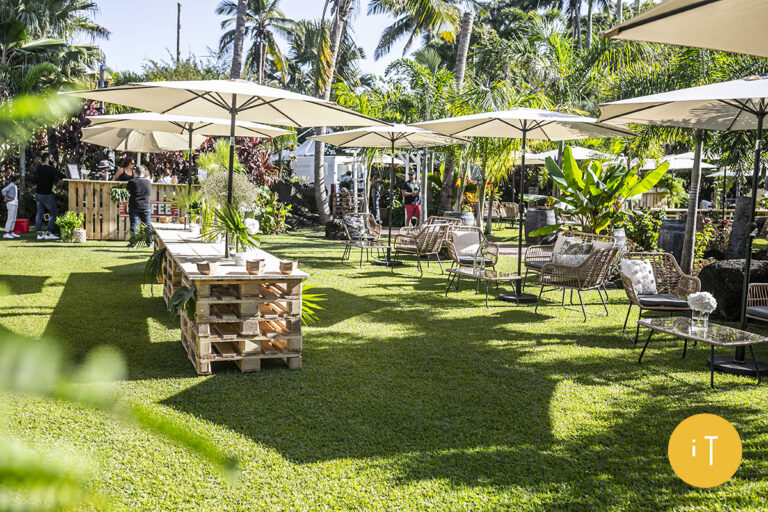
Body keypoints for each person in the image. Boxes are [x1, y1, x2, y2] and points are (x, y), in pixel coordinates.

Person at [35, 152, 65, 240]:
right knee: (54, 214)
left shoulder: (39, 168)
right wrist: (54, 167)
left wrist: (54, 167)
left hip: (38, 193)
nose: (53, 159)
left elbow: (48, 175)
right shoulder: (50, 169)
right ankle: (48, 233)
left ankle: (39, 234)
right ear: (47, 159)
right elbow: (62, 175)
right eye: (51, 158)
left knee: (39, 213)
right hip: (46, 194)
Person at [126, 165, 152, 248]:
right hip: (146, 206)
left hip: (134, 205)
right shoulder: (148, 182)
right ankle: (149, 243)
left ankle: (133, 244)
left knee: (134, 225)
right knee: (147, 226)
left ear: (135, 172)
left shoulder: (132, 182)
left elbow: (128, 191)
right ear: (143, 173)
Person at [2, 174, 20, 239]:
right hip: (11, 204)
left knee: (13, 219)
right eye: (19, 179)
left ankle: (11, 232)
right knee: (10, 218)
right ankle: (6, 233)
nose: (19, 181)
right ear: (16, 180)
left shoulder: (14, 185)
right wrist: (7, 198)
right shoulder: (11, 185)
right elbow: (3, 190)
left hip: (15, 204)